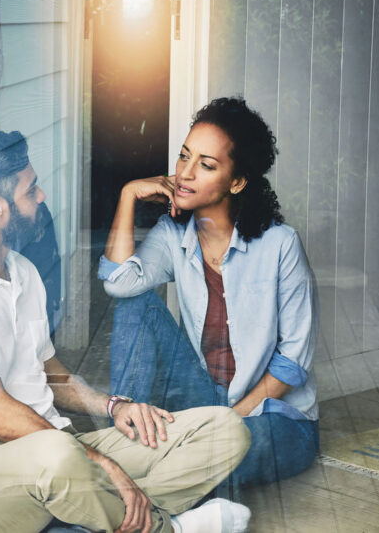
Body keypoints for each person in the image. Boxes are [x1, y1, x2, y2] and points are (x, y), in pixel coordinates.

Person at [0, 129, 253, 533]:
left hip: (58, 448)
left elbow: (52, 375)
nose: (42, 197)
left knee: (225, 430)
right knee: (60, 458)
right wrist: (100, 463)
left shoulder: (22, 273)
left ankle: (92, 515)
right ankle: (167, 528)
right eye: (31, 191)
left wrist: (115, 407)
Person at [99, 97, 319, 493]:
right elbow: (119, 283)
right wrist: (129, 194)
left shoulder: (280, 245)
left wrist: (228, 420)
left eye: (206, 164)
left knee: (220, 457)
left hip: (271, 416)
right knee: (136, 302)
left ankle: (146, 482)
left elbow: (293, 361)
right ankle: (126, 424)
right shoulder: (173, 235)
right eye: (184, 157)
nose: (184, 173)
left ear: (237, 182)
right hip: (202, 398)